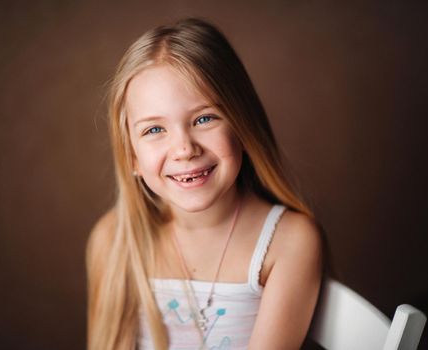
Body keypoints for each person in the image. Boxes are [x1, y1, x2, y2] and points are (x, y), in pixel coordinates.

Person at [87, 17, 324, 350]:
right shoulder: (112, 241)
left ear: (242, 127)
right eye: (154, 130)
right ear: (132, 158)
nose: (185, 149)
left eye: (204, 118)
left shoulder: (288, 242)